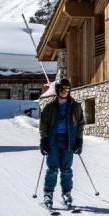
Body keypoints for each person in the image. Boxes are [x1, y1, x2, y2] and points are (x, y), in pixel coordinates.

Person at [39, 78, 84, 208]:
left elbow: (80, 124)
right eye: (62, 89)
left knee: (66, 169)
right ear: (57, 90)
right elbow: (43, 125)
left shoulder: (75, 106)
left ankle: (66, 193)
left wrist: (79, 140)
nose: (65, 91)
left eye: (67, 89)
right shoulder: (49, 107)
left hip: (69, 141)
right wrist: (43, 140)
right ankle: (48, 193)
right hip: (53, 140)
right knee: (52, 168)